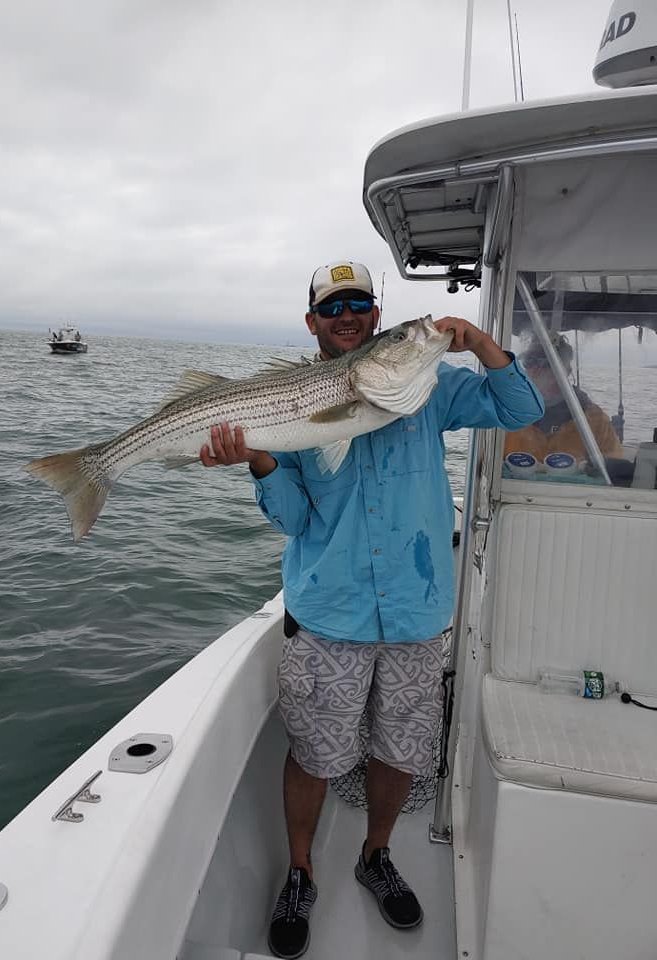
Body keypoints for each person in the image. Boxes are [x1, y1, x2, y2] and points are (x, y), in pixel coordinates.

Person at [200, 261, 544, 959]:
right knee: (314, 752)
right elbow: (295, 521)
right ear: (313, 322)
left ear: (376, 316)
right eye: (333, 307)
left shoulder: (435, 388)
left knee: (400, 749)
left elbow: (522, 411)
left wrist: (478, 342)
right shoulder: (292, 403)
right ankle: (300, 872)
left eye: (360, 303)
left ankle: (375, 855)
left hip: (417, 611)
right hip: (331, 612)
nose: (347, 314)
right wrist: (259, 463)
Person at [503, 332, 622, 461]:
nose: (535, 370)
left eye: (544, 364)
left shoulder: (594, 419)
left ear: (565, 370)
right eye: (529, 363)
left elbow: (613, 463)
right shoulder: (507, 413)